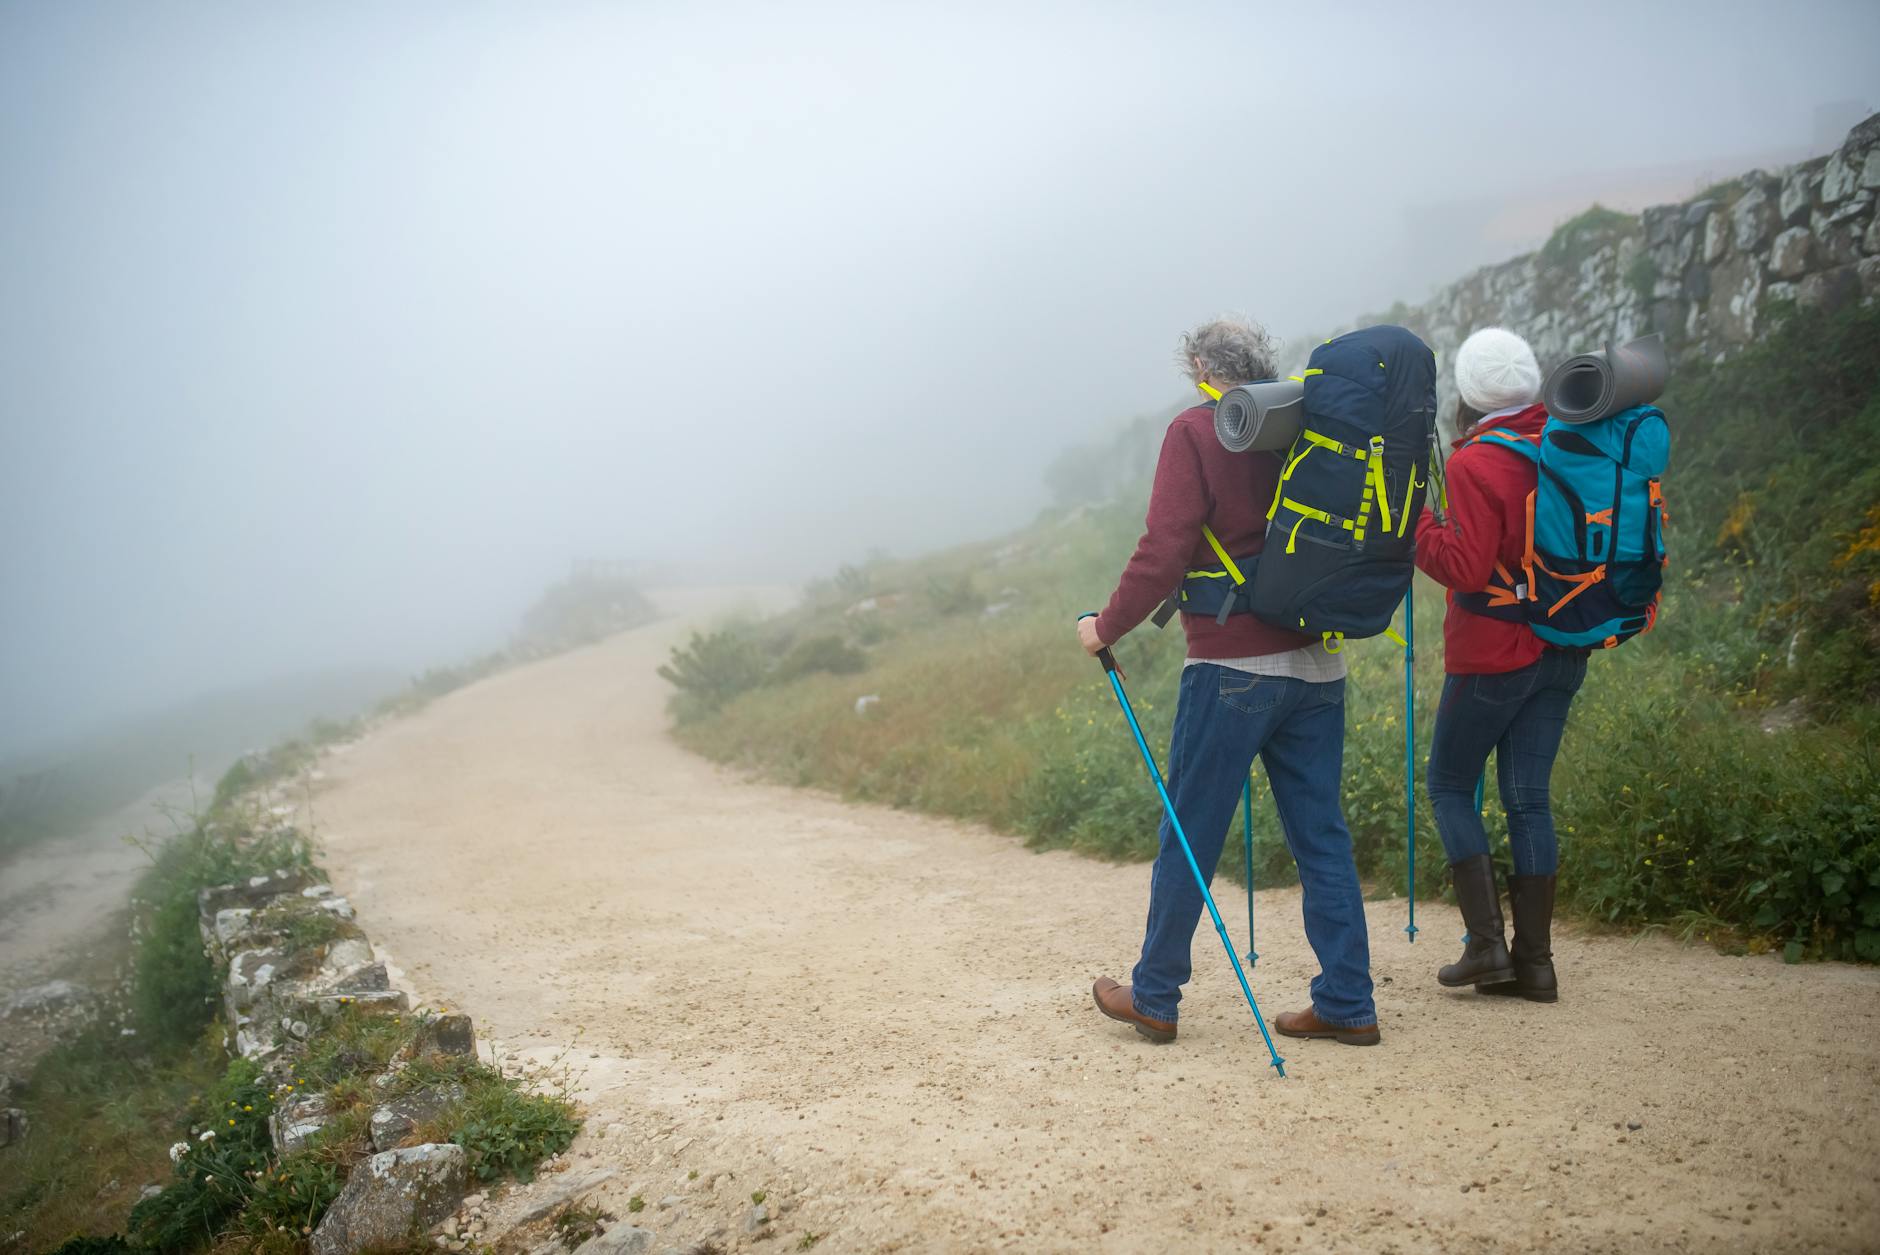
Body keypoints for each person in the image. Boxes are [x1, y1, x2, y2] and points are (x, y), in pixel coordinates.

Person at [1078, 316, 1378, 1047]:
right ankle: (1348, 1000)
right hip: (1319, 663)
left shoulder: (1197, 431)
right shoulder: (1313, 427)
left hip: (1231, 665)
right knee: (1322, 837)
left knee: (1190, 832)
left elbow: (1165, 548)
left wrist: (1105, 626)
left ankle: (1154, 994)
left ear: (1202, 367)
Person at [1414, 327, 1586, 1002]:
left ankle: (1486, 945)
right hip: (1564, 644)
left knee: (1450, 784)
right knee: (1528, 796)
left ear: (1470, 393)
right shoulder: (1569, 440)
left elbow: (1464, 565)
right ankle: (1535, 964)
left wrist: (1419, 527)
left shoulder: (1473, 462)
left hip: (1493, 652)